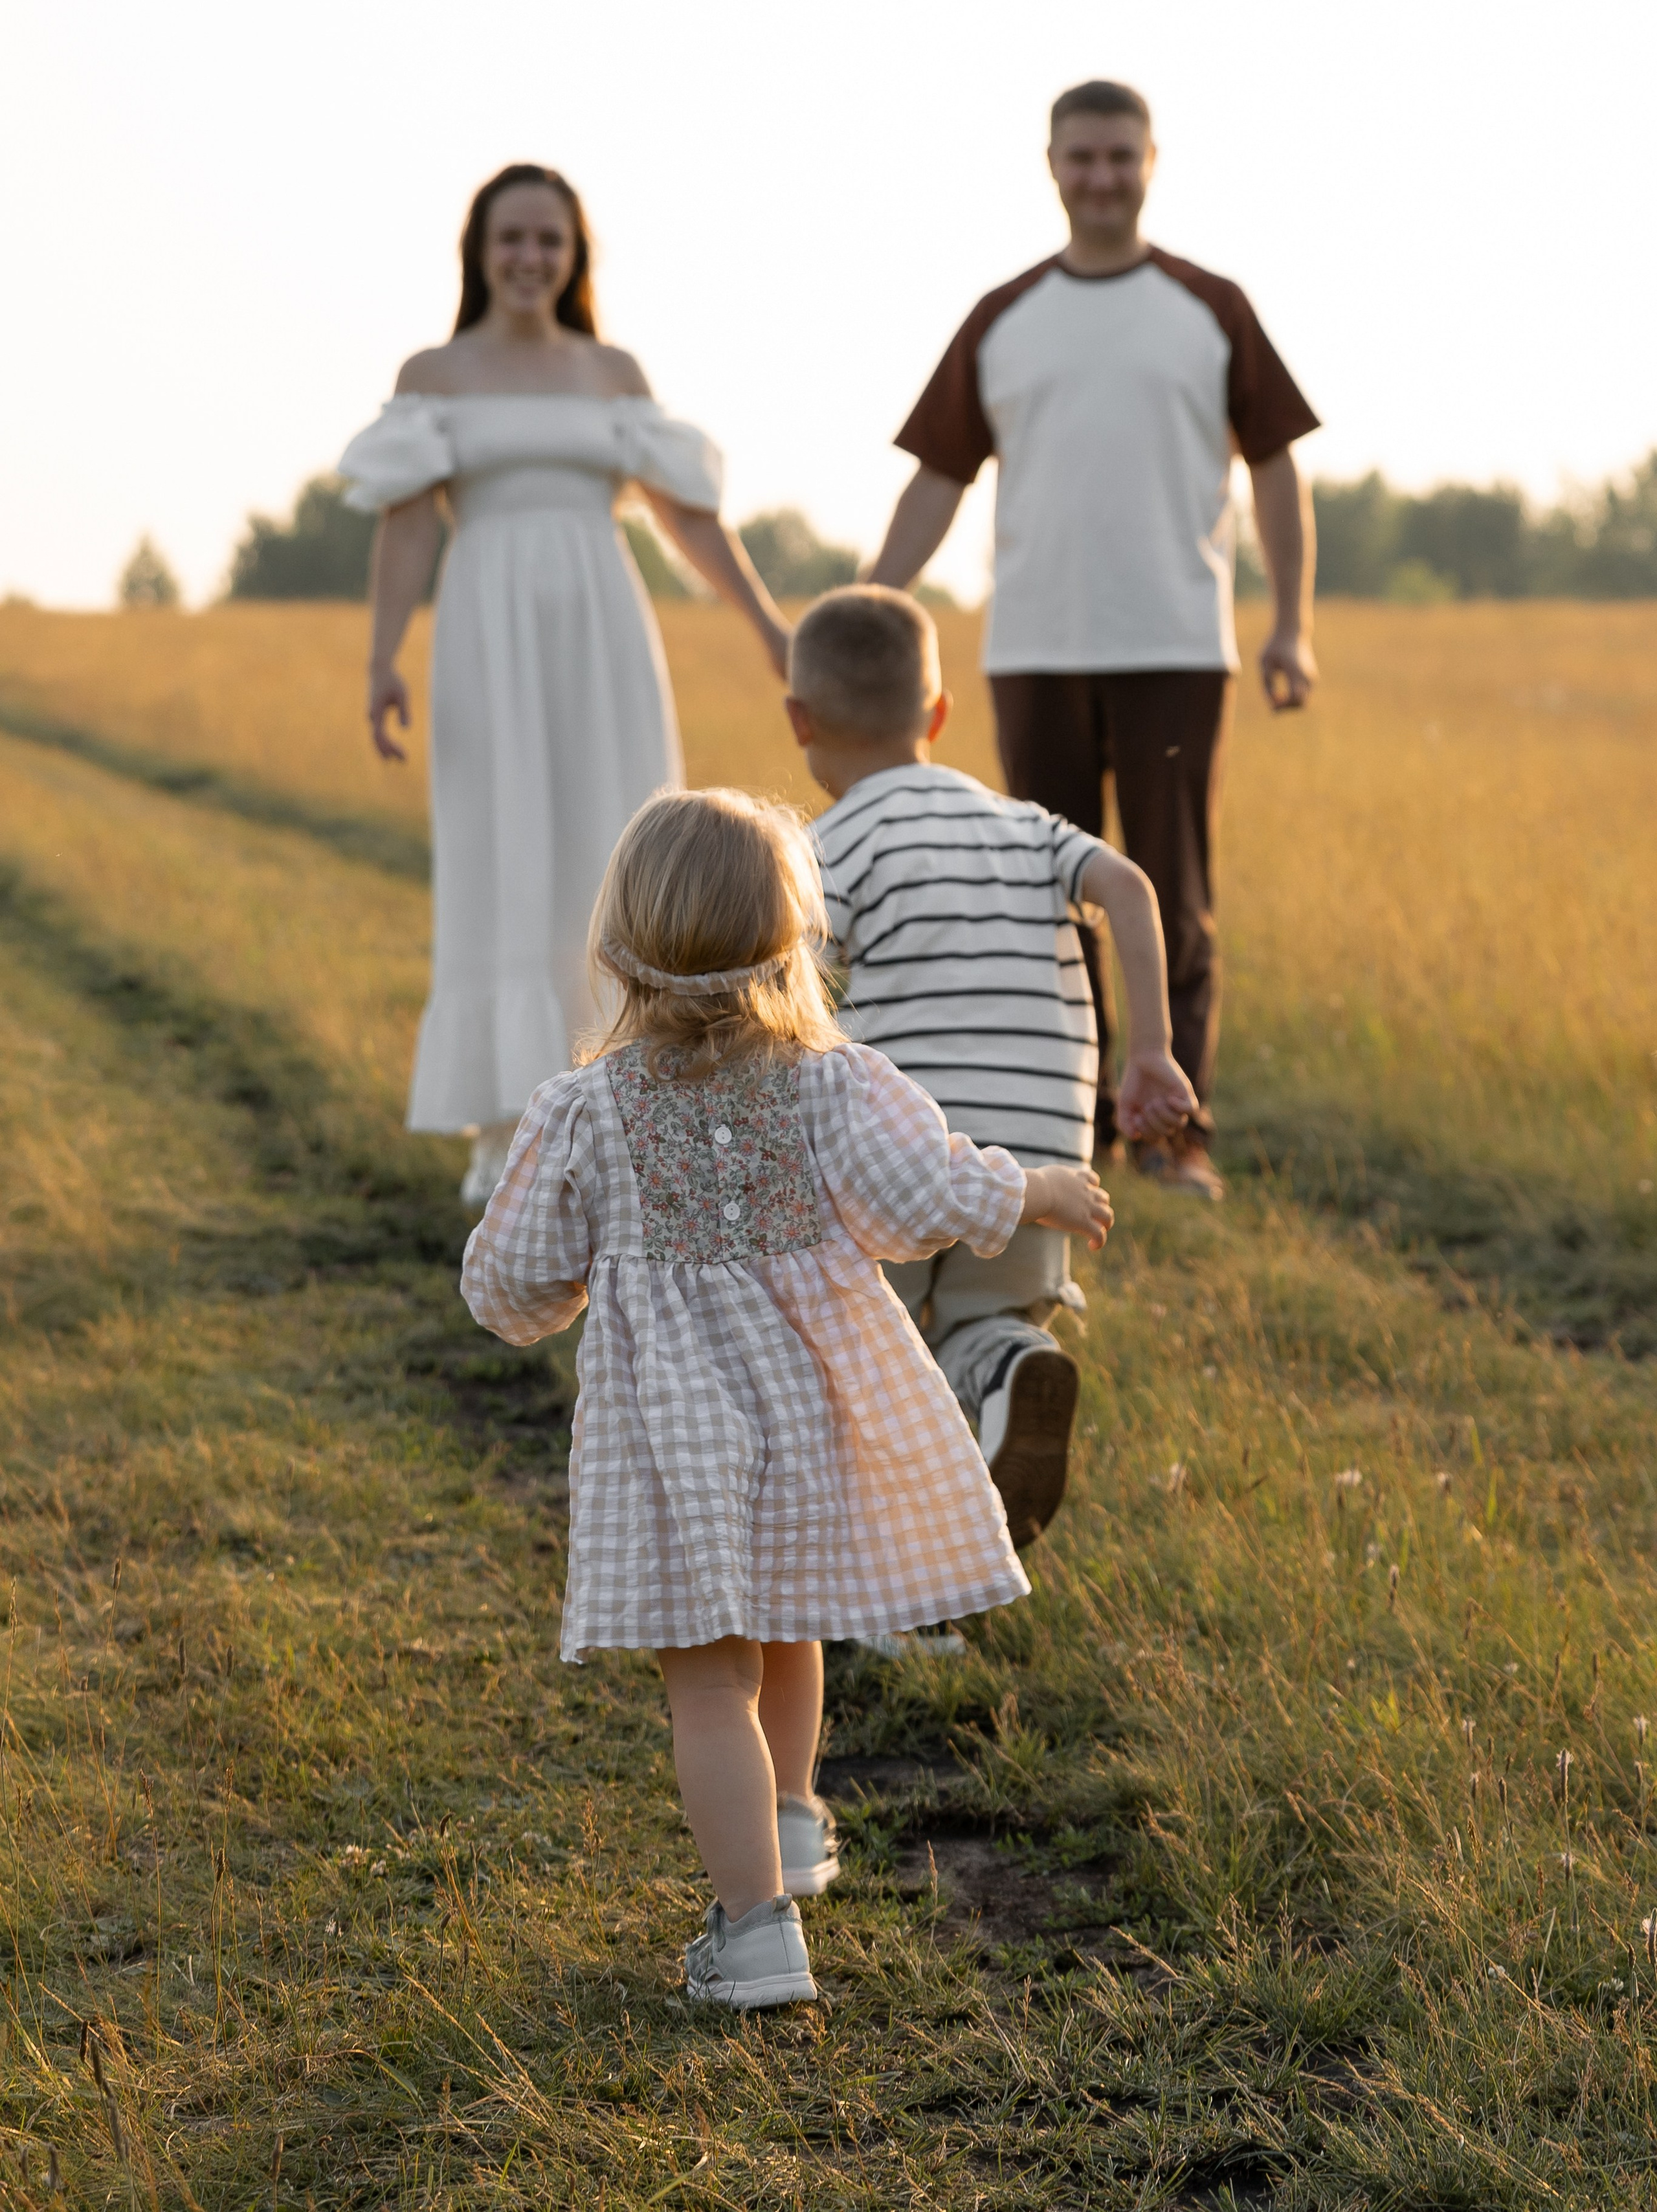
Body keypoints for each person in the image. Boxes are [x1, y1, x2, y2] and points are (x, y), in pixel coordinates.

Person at [460, 786, 1111, 2007]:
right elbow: (922, 1197)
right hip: (814, 1407)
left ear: (614, 949)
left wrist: (551, 1290)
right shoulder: (832, 1085)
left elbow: (507, 1286)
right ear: (796, 941)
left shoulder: (585, 1111)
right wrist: (1035, 1191)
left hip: (675, 1442)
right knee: (793, 1611)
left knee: (711, 1679)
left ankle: (755, 1932)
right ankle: (798, 1822)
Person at [868, 81, 1320, 1200]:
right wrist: (870, 603)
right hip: (1033, 648)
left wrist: (1293, 624)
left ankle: (1172, 1135)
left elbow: (1275, 469)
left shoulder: (1210, 307)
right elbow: (939, 477)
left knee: (1171, 893)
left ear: (1152, 162)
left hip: (1174, 642)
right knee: (1047, 894)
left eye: (1120, 157)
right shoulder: (1003, 315)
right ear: (1052, 164)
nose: (1101, 177)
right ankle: (1073, 1132)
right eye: (1082, 158)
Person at [340, 163, 790, 1202]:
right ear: (479, 251)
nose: (530, 258)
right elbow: (407, 522)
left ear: (576, 254)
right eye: (512, 239)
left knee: (617, 843)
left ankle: (631, 1101)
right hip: (486, 626)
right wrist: (381, 658)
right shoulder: (434, 373)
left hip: (602, 623)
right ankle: (507, 1132)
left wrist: (768, 624)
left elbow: (686, 516)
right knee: (501, 850)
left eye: (550, 240)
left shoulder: (612, 371)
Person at [792, 587, 1195, 1549]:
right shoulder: (1026, 826)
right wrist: (1150, 1052)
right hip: (1038, 1156)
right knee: (986, 1319)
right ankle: (1014, 1368)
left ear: (799, 722)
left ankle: (894, 1596)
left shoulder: (825, 848)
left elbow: (792, 987)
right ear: (937, 715)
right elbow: (1129, 887)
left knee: (873, 1356)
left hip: (905, 1156)